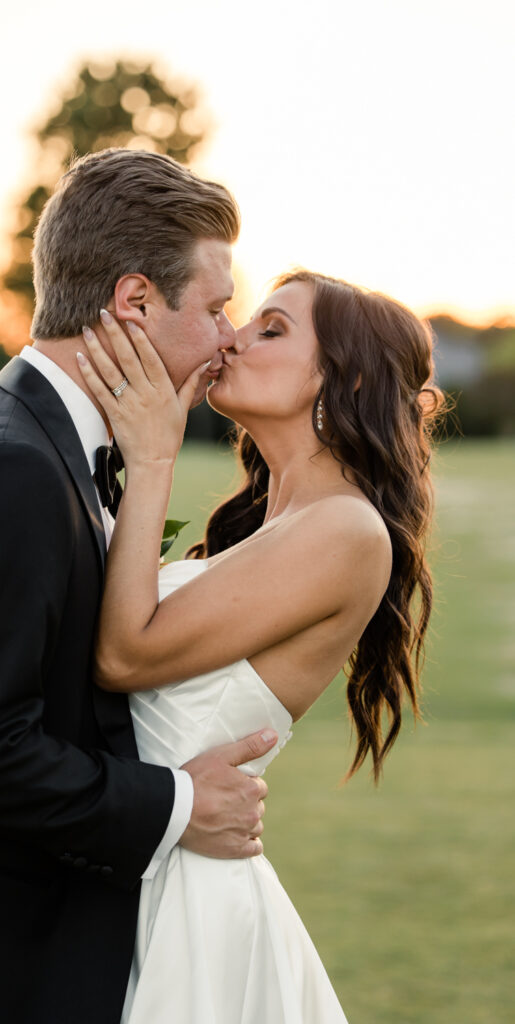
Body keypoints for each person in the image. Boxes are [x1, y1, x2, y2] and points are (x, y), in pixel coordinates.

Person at [0, 150, 278, 1024]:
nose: (229, 336)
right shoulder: (4, 468)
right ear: (135, 301)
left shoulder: (40, 445)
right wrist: (180, 804)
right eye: (217, 307)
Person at [76, 269, 445, 1023]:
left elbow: (123, 658)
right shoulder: (267, 533)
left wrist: (151, 460)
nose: (231, 337)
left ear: (349, 378)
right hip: (137, 865)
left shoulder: (344, 531)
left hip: (187, 903)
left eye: (271, 329)